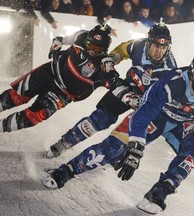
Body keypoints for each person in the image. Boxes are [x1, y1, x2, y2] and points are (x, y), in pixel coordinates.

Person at [41, 48, 194, 214]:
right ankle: (65, 172)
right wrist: (135, 149)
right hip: (156, 117)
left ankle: (160, 191)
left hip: (182, 123)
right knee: (113, 149)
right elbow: (142, 114)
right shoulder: (171, 84)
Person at [46, 19, 177, 158]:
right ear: (149, 42)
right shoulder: (139, 45)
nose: (159, 51)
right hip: (126, 87)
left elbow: (165, 98)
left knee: (125, 136)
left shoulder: (170, 70)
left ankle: (110, 158)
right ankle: (65, 143)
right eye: (156, 46)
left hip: (145, 101)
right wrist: (112, 59)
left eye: (163, 47)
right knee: (99, 118)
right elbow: (122, 50)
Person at [0, 24, 119, 133]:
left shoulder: (106, 66)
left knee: (33, 117)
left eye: (97, 49)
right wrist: (56, 45)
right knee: (15, 96)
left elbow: (118, 85)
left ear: (105, 49)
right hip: (49, 72)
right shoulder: (81, 35)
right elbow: (60, 39)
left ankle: (1, 127)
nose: (91, 50)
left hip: (64, 94)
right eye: (89, 44)